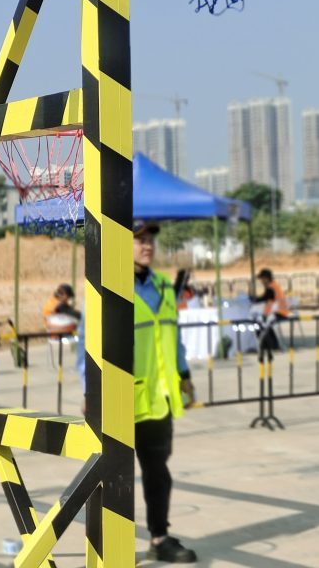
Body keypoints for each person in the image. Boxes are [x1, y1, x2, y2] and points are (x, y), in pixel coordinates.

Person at [77, 220, 197, 563]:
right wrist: (90, 390)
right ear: (121, 243)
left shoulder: (162, 286)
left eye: (150, 240)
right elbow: (88, 342)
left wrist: (184, 375)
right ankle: (109, 550)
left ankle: (159, 538)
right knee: (113, 477)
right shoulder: (109, 287)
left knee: (158, 473)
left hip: (158, 401)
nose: (147, 246)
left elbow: (172, 336)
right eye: (139, 240)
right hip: (120, 399)